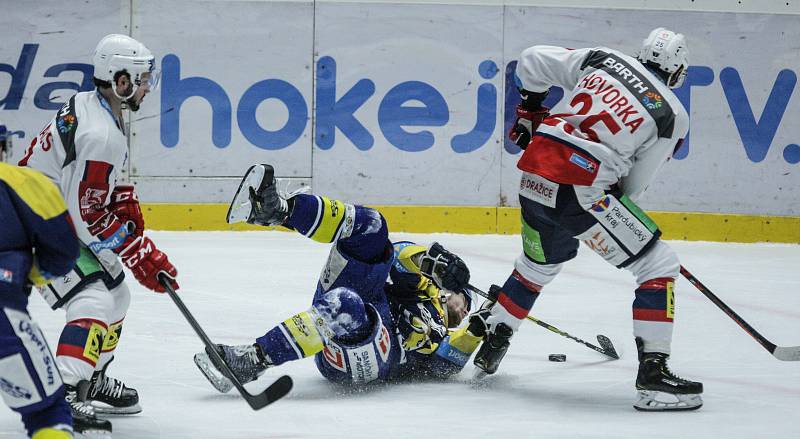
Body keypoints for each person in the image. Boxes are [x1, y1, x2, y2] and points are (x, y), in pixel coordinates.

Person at [472, 28, 703, 411]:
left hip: (533, 177)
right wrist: (601, 211)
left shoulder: (603, 58)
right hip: (580, 189)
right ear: (677, 70)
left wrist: (530, 108)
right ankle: (654, 379)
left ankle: (493, 340)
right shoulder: (672, 113)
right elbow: (632, 188)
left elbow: (531, 58)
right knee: (658, 264)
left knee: (538, 266)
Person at [194, 164, 484, 390]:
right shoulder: (427, 288)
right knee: (372, 226)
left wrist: (478, 330)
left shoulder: (448, 335)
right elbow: (398, 256)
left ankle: (252, 359)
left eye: (468, 311)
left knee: (346, 305)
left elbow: (444, 367)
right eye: (464, 301)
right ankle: (279, 211)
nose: (464, 309)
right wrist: (433, 262)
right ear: (449, 292)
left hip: (375, 354)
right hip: (367, 304)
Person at [19, 34, 179, 434]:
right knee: (92, 296)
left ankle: (90, 379)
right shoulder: (101, 134)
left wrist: (121, 200)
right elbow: (85, 213)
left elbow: (84, 186)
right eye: (143, 79)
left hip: (43, 211)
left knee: (117, 294)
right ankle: (66, 393)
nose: (148, 87)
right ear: (121, 81)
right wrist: (136, 250)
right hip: (27, 225)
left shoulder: (94, 105)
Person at [0, 163, 79, 438]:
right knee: (48, 412)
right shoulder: (20, 181)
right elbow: (64, 252)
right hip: (3, 312)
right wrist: (29, 273)